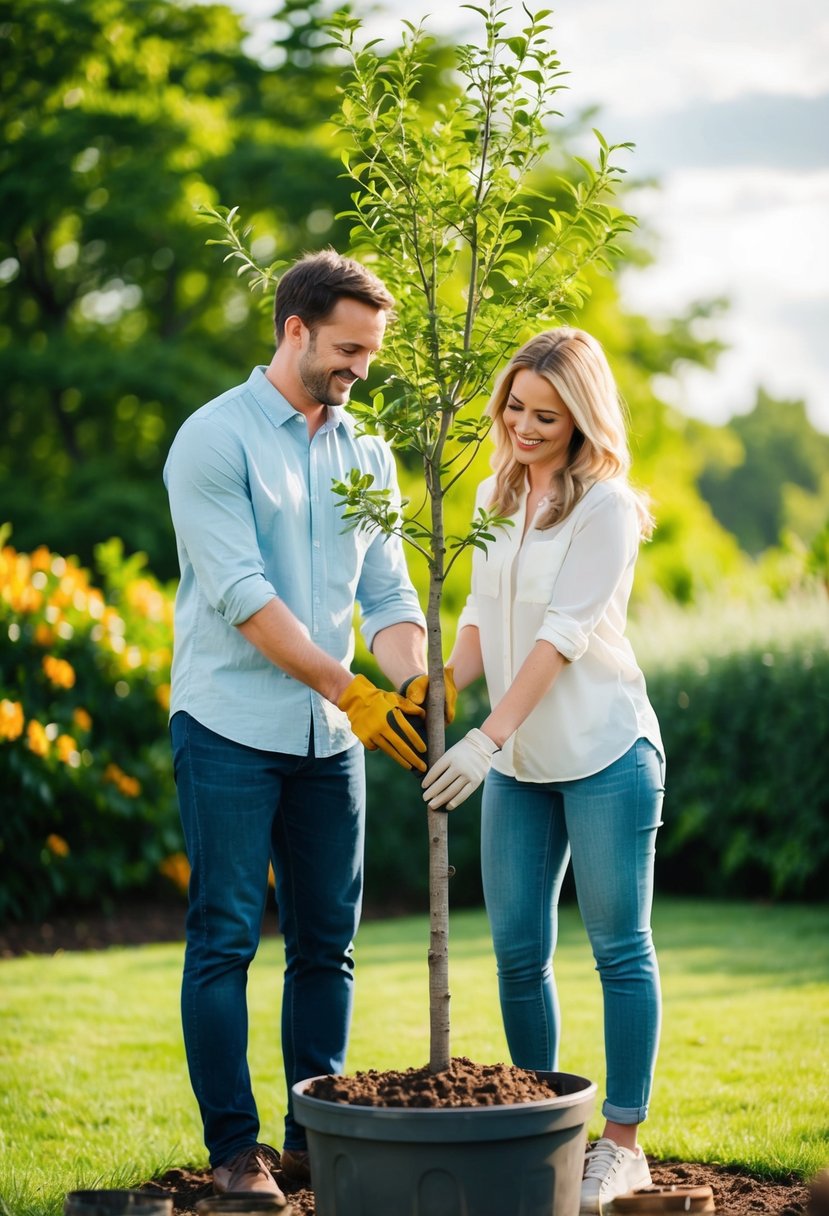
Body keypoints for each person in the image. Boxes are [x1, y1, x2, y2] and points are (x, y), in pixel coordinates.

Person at [164, 250, 428, 1200]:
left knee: (327, 943)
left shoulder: (366, 451)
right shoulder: (213, 440)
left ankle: (312, 1139)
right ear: (294, 330)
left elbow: (391, 591)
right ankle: (237, 1155)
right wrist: (347, 687)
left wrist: (412, 679)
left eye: (371, 353)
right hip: (230, 723)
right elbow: (243, 596)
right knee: (226, 937)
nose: (360, 368)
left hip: (328, 741)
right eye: (347, 349)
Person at [421, 328, 666, 1215]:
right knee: (518, 956)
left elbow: (562, 635)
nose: (523, 426)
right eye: (514, 407)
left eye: (546, 415)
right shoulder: (493, 492)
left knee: (617, 949)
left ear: (581, 418)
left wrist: (481, 740)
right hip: (522, 764)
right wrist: (438, 694)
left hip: (604, 753)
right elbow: (484, 619)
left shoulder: (603, 506)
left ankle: (621, 1145)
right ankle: (543, 1129)